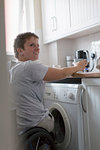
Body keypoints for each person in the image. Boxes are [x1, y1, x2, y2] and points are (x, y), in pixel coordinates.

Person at [9, 32, 87, 135]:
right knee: (54, 120)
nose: (37, 48)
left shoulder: (13, 69)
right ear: (20, 51)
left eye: (38, 45)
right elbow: (62, 73)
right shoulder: (29, 66)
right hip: (37, 123)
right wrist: (78, 67)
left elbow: (53, 71)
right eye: (32, 45)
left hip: (23, 126)